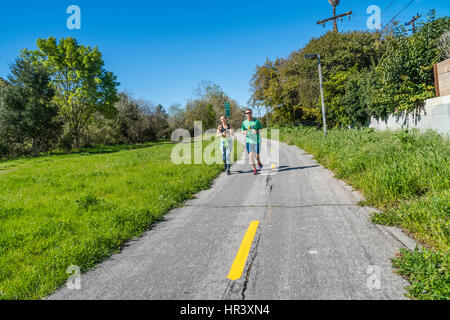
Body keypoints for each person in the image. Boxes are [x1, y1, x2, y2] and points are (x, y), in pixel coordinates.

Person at [241, 108, 263, 175]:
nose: (248, 114)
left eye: (249, 113)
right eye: (247, 113)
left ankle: (258, 161)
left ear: (252, 113)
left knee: (256, 156)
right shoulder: (244, 122)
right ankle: (254, 169)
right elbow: (242, 131)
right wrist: (245, 132)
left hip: (257, 140)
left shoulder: (256, 121)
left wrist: (256, 131)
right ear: (245, 115)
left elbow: (261, 130)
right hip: (249, 141)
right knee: (250, 155)